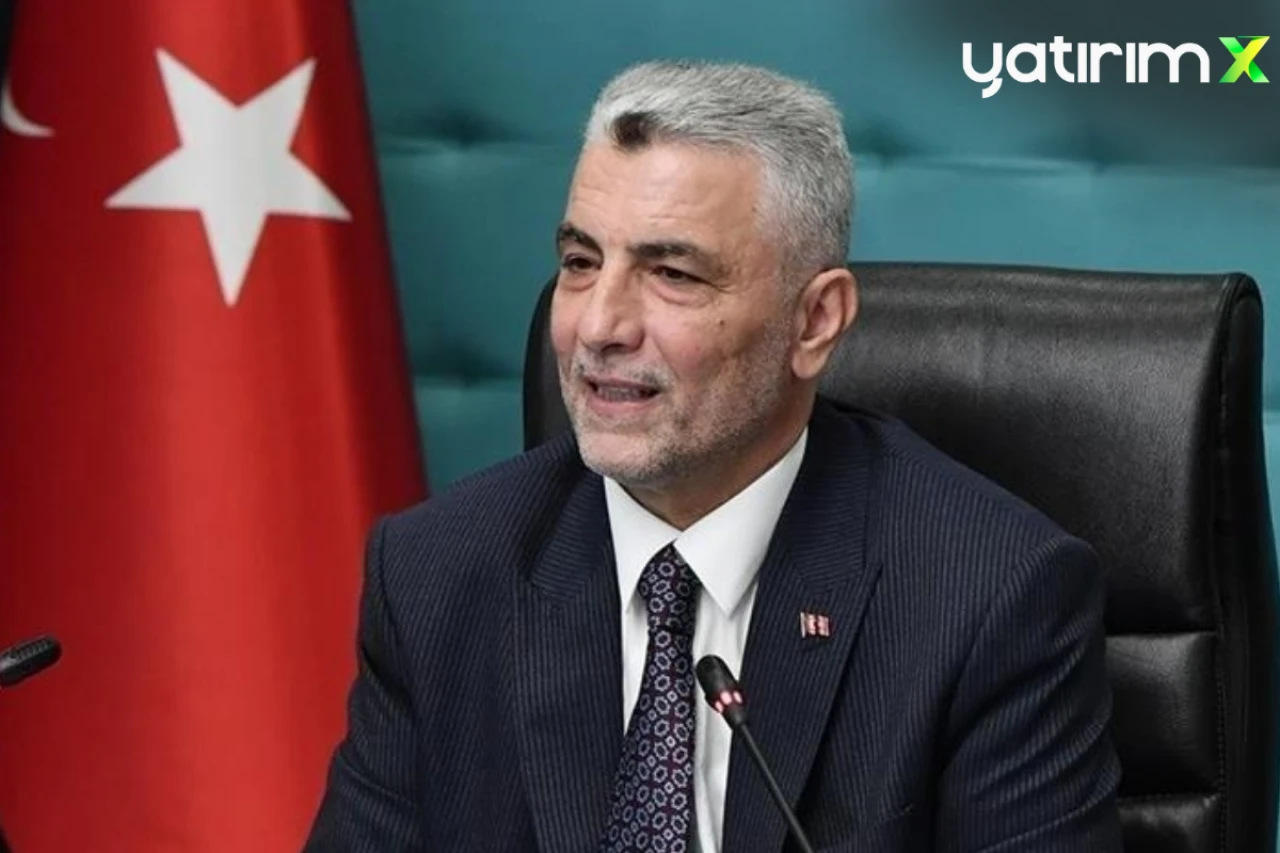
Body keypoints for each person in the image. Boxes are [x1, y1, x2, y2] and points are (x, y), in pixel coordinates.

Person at [303, 60, 1122, 852]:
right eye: (581, 263)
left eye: (672, 273)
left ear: (815, 322)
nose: (599, 326)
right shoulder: (438, 572)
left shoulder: (990, 597)